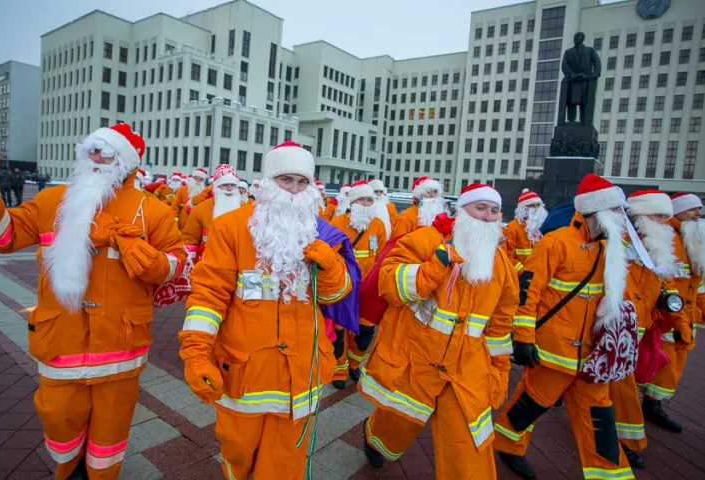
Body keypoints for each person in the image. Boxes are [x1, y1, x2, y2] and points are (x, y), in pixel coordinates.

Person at [0, 124, 185, 479]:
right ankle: (70, 466)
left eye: (106, 152)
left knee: (110, 435)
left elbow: (174, 267)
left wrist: (139, 253)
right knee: (59, 420)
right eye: (91, 149)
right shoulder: (51, 202)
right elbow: (3, 235)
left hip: (119, 346)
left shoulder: (150, 211)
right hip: (60, 340)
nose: (96, 157)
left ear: (125, 162)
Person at [178, 141, 358, 480]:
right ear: (267, 182)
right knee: (237, 453)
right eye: (285, 180)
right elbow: (208, 296)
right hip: (246, 371)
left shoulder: (320, 230)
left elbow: (337, 297)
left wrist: (332, 267)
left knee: (286, 464)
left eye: (302, 182)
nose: (294, 190)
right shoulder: (231, 227)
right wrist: (196, 354)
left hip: (302, 372)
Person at [360, 183, 518, 479]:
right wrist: (433, 269)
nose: (487, 216)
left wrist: (500, 368)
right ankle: (373, 434)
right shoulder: (427, 239)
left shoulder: (502, 266)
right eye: (480, 208)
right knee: (396, 424)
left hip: (466, 370)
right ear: (462, 210)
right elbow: (388, 282)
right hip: (416, 358)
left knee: (469, 446)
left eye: (494, 210)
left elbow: (500, 323)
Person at [492, 174, 634, 480]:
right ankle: (509, 446)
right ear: (595, 212)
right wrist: (524, 340)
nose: (622, 218)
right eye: (616, 211)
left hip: (593, 357)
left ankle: (611, 475)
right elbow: (527, 293)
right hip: (553, 351)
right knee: (530, 405)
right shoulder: (556, 243)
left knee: (600, 419)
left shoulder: (612, 249)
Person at [612, 190, 679, 469]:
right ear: (638, 217)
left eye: (664, 217)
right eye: (656, 216)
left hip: (641, 329)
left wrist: (667, 303)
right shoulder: (618, 243)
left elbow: (659, 283)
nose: (662, 222)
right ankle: (624, 444)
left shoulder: (655, 246)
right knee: (622, 392)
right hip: (615, 331)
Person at [640, 192, 705, 433]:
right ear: (678, 211)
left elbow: (697, 280)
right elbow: (666, 284)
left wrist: (703, 306)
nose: (698, 214)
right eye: (693, 209)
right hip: (666, 320)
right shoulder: (666, 238)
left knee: (671, 367)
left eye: (700, 208)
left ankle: (653, 405)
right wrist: (678, 319)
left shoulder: (691, 238)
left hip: (685, 316)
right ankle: (636, 407)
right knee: (653, 363)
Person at [329, 180, 386, 389]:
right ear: (352, 202)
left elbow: (381, 257)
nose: (365, 203)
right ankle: (339, 370)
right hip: (344, 289)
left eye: (369, 199)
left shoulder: (378, 224)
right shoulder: (337, 223)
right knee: (340, 333)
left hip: (368, 290)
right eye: (361, 198)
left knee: (364, 334)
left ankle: (355, 364)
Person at [182, 164, 245, 263]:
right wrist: (190, 265)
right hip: (208, 263)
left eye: (232, 185)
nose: (229, 188)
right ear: (216, 186)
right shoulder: (200, 209)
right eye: (225, 185)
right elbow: (190, 240)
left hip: (236, 262)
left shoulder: (245, 209)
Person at [503, 189, 548, 271]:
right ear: (523, 208)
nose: (536, 208)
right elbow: (508, 256)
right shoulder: (512, 228)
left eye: (538, 205)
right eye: (532, 205)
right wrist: (523, 273)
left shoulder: (542, 227)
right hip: (520, 278)